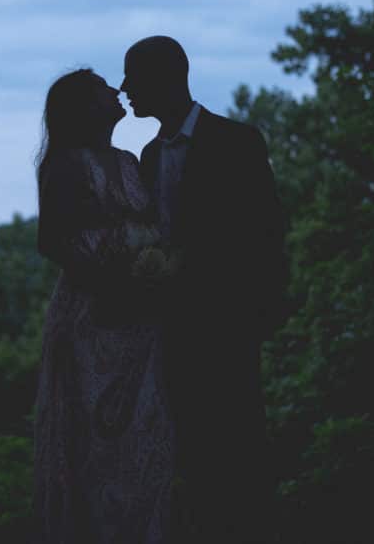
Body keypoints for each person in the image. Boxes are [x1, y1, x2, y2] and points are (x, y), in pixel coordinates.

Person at [121, 35, 289, 543]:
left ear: (166, 77)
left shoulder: (237, 141)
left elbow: (265, 232)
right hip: (171, 333)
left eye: (134, 76)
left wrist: (259, 314)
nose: (125, 87)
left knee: (238, 445)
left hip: (228, 325)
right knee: (188, 449)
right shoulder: (146, 157)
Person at [32, 68, 178, 544]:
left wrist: (150, 270)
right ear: (82, 105)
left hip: (140, 319)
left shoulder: (129, 159)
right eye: (101, 86)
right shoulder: (65, 163)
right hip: (92, 320)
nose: (115, 90)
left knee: (144, 436)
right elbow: (54, 241)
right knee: (94, 441)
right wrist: (112, 276)